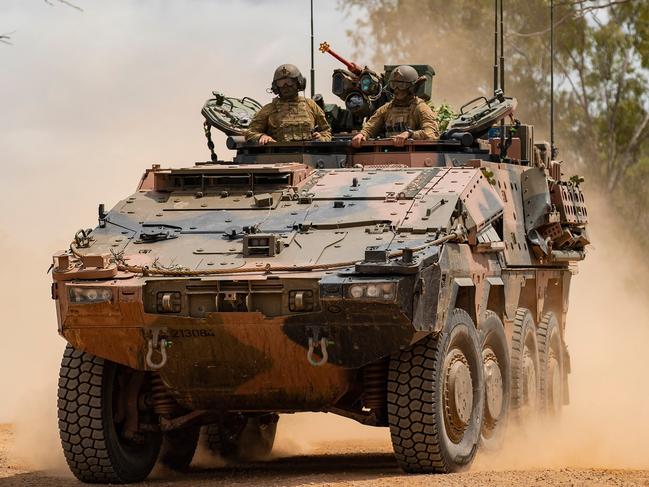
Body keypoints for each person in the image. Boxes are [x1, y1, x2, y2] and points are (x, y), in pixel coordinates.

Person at [351, 65, 438, 148]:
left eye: (401, 85)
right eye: (393, 85)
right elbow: (370, 127)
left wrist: (410, 134)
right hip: (387, 153)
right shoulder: (386, 109)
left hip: (413, 153)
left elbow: (431, 134)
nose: (396, 89)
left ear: (412, 87)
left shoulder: (421, 108)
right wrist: (362, 135)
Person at [245, 64, 332, 144]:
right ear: (276, 86)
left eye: (289, 82)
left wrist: (321, 137)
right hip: (278, 156)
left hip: (308, 154)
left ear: (299, 82)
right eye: (281, 83)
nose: (285, 86)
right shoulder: (269, 109)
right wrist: (262, 136)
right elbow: (250, 133)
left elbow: (326, 131)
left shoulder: (311, 105)